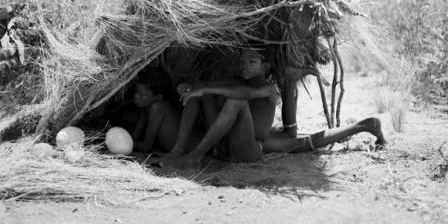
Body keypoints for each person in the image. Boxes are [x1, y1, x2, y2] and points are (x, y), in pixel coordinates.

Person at [161, 48, 386, 168]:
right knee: (198, 95)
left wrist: (207, 90)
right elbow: (206, 86)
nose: (244, 66)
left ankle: (195, 156)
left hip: (249, 151)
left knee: (236, 100)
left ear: (265, 66)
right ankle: (179, 150)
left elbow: (248, 95)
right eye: (242, 61)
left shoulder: (269, 89)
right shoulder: (237, 81)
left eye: (251, 62)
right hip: (223, 146)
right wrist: (191, 88)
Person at [131, 72, 199, 153]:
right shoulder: (145, 106)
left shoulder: (158, 107)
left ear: (158, 97)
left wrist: (126, 144)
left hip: (192, 148)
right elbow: (135, 134)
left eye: (141, 95)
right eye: (136, 92)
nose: (135, 96)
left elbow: (146, 146)